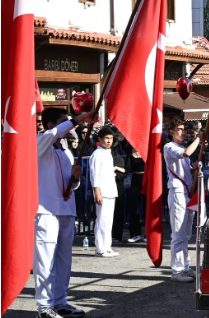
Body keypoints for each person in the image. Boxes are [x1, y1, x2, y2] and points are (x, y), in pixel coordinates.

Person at [33, 108, 95, 318]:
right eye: (63, 122)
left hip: (66, 211)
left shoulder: (65, 151)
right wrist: (77, 120)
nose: (68, 126)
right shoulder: (41, 142)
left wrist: (75, 178)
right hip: (46, 211)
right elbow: (51, 136)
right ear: (51, 125)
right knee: (45, 260)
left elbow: (71, 184)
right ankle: (44, 306)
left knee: (64, 260)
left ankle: (60, 302)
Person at [163, 117, 201, 282]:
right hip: (177, 192)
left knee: (186, 233)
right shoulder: (169, 147)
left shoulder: (182, 148)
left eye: (184, 129)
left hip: (187, 192)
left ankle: (185, 266)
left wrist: (194, 169)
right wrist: (200, 138)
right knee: (178, 233)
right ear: (172, 132)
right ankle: (177, 271)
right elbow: (186, 153)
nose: (183, 132)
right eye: (180, 129)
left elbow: (187, 172)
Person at [90, 126, 119, 258]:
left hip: (110, 190)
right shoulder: (97, 154)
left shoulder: (108, 153)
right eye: (106, 138)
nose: (109, 141)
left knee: (108, 221)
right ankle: (100, 247)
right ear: (100, 139)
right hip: (102, 191)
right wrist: (97, 192)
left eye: (111, 138)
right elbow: (94, 175)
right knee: (101, 220)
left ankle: (107, 246)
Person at [126, 147, 146, 243]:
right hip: (134, 180)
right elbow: (127, 169)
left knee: (147, 208)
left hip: (146, 181)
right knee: (133, 208)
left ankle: (148, 234)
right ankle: (135, 234)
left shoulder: (146, 152)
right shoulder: (130, 154)